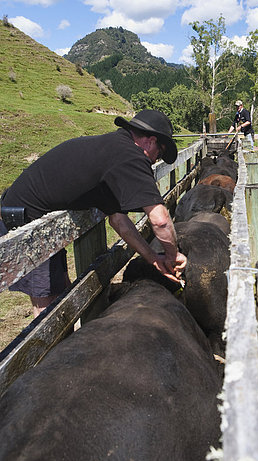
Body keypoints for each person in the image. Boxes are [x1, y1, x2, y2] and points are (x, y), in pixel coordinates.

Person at [0, 110, 187, 317]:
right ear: (151, 142)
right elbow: (160, 221)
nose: (155, 160)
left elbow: (119, 221)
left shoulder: (113, 150)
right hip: (27, 221)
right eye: (159, 154)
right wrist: (173, 255)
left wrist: (152, 258)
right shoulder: (130, 156)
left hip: (36, 214)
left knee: (61, 287)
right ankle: (55, 349)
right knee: (48, 301)